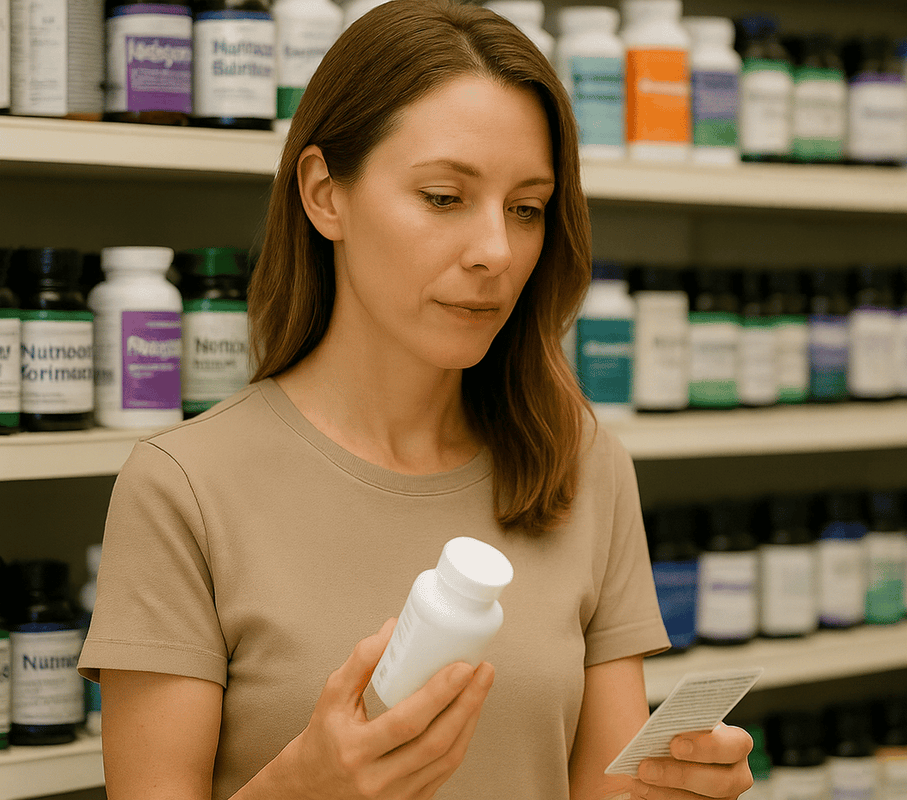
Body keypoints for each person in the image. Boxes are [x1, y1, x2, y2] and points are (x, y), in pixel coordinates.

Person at [78, 2, 755, 798]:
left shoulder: (579, 464)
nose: (496, 253)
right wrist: (303, 790)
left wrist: (672, 788)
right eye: (442, 197)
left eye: (527, 209)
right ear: (325, 194)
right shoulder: (183, 489)